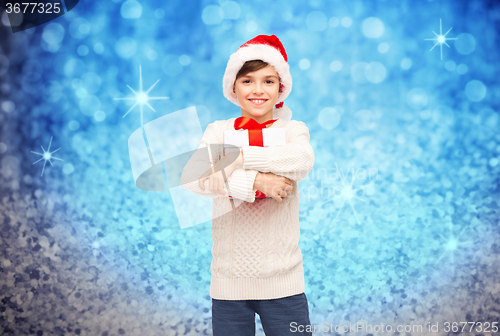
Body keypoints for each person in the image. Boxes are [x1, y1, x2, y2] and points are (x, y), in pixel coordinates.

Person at [181, 35, 315, 336]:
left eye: (268, 81)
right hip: (229, 283)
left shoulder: (292, 129)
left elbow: (301, 160)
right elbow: (193, 177)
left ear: (281, 88)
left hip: (284, 282)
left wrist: (237, 156)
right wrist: (257, 181)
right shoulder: (218, 130)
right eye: (247, 81)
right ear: (233, 87)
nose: (257, 90)